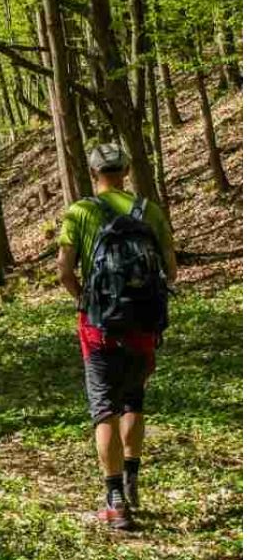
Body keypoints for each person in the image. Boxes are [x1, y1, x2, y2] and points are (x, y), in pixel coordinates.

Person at [57, 143, 176, 531]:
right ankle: (132, 478)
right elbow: (170, 271)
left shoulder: (80, 212)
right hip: (142, 324)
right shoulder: (149, 211)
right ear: (126, 170)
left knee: (103, 407)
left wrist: (85, 299)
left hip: (98, 326)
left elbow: (65, 272)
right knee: (134, 401)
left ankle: (113, 499)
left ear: (93, 174)